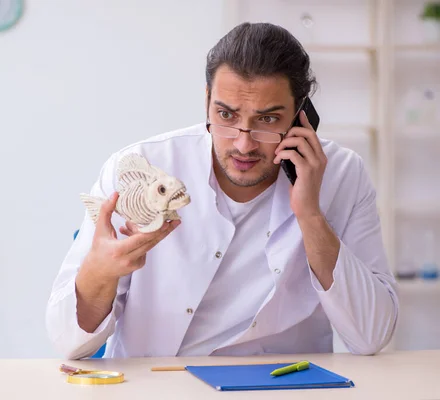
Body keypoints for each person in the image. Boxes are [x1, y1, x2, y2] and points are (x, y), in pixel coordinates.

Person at [45, 22, 399, 360]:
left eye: (268, 119)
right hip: (159, 385)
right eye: (226, 115)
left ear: (301, 114)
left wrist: (310, 215)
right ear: (206, 101)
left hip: (284, 388)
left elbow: (372, 335)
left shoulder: (342, 175)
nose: (243, 144)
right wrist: (101, 272)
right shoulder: (140, 166)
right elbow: (69, 342)